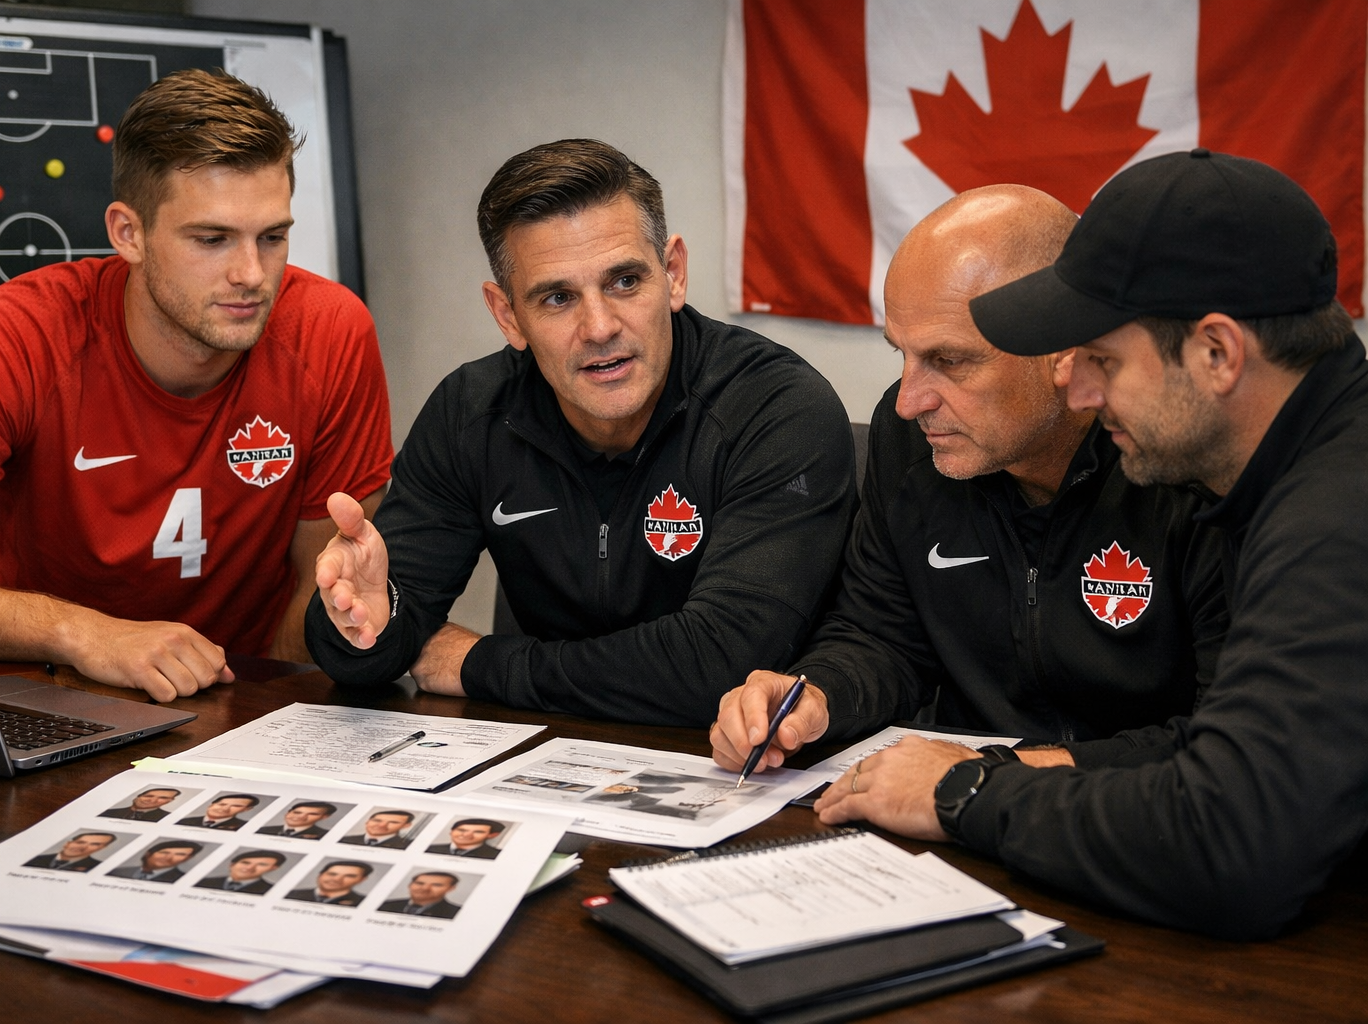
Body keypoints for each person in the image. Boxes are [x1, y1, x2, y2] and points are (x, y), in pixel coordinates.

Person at [813, 149, 1368, 940]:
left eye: (1103, 360)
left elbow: (1234, 846)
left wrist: (964, 794)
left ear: (1217, 354)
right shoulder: (1300, 463)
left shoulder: (1334, 515)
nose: (1080, 389)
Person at [0, 69, 393, 703]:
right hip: (46, 693)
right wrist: (84, 635)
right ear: (128, 233)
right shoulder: (11, 338)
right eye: (211, 239)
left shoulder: (331, 332)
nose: (252, 274)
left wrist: (262, 721)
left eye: (273, 237)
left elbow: (315, 586)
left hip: (237, 702)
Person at [305, 138, 856, 726]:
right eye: (559, 298)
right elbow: (363, 652)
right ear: (508, 315)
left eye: (624, 282)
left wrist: (480, 664)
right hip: (553, 761)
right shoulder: (472, 413)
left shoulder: (776, 407)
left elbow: (721, 667)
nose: (599, 328)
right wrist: (366, 620)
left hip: (750, 768)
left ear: (673, 274)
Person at [711, 185, 1230, 779]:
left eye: (949, 361)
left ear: (1063, 347)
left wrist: (995, 776)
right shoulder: (909, 439)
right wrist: (817, 698)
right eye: (901, 354)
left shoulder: (1180, 459)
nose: (909, 401)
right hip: (956, 816)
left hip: (1138, 816)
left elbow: (1233, 738)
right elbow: (880, 635)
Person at [107, 839, 202, 883]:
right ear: (148, 854)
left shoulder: (183, 880)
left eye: (180, 854)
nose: (168, 858)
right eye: (164, 852)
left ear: (188, 858)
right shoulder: (117, 871)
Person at [195, 850, 287, 895]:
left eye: (262, 864)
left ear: (274, 868)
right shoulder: (201, 882)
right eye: (245, 862)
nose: (249, 868)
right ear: (232, 865)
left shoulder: (272, 891)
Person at [378, 871, 462, 919]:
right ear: (410, 885)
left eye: (436, 885)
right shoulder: (384, 905)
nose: (425, 888)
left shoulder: (457, 913)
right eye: (419, 883)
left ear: (451, 888)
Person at [286, 860, 374, 905]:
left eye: (349, 876)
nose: (336, 879)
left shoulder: (364, 902)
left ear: (362, 879)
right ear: (320, 875)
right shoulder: (290, 894)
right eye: (332, 874)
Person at [24, 833, 116, 872]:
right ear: (68, 843)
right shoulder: (34, 858)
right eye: (80, 842)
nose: (82, 847)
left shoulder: (99, 867)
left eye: (94, 844)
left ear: (102, 848)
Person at [426, 819, 504, 859]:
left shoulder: (498, 855)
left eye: (478, 832)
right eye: (461, 830)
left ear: (492, 835)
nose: (466, 835)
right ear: (451, 832)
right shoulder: (429, 848)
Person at [257, 800, 338, 839]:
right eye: (297, 812)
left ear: (325, 817)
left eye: (312, 814)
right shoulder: (262, 830)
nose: (301, 817)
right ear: (288, 813)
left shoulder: (326, 836)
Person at [176, 794, 259, 831]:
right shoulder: (182, 821)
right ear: (211, 805)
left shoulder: (244, 827)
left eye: (236, 806)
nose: (225, 809)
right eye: (222, 804)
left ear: (247, 809)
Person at [339, 809, 416, 849]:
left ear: (406, 825)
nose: (381, 825)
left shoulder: (408, 845)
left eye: (393, 822)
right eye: (377, 820)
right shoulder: (343, 839)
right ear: (367, 822)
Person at [100, 787, 182, 822]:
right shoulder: (108, 812)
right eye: (148, 796)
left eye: (162, 798)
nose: (152, 800)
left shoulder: (168, 818)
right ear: (138, 797)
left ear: (170, 801)